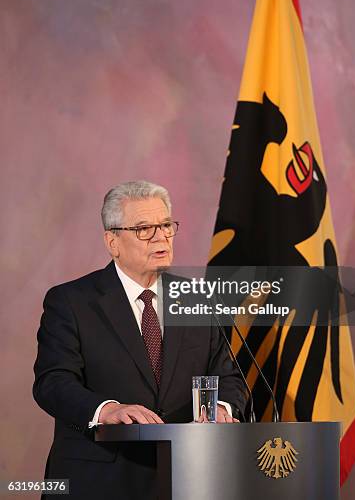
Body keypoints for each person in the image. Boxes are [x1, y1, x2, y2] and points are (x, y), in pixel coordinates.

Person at [33, 180, 247, 500]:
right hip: (98, 480)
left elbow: (228, 376)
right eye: (144, 228)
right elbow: (52, 382)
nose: (161, 236)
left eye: (166, 225)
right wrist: (106, 409)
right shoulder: (71, 301)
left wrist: (221, 407)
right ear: (112, 241)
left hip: (185, 477)